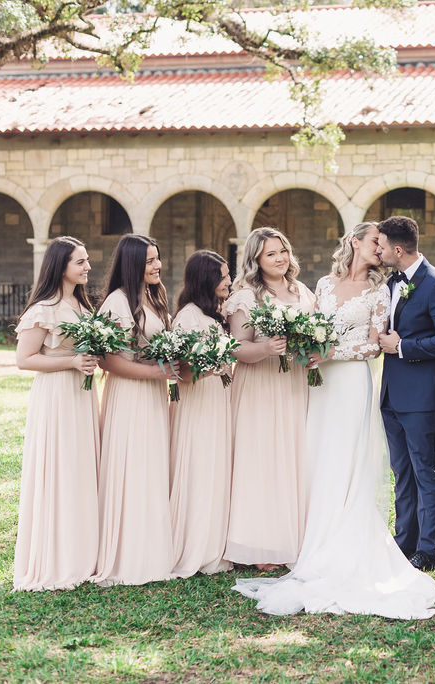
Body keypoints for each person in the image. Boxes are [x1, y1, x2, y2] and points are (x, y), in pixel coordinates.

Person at [233, 222, 435, 619]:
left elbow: (375, 345)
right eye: (375, 241)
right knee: (318, 455)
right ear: (355, 242)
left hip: (350, 381)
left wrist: (332, 353)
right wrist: (307, 347)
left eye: (384, 243)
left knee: (348, 460)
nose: (381, 248)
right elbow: (311, 328)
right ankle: (312, 537)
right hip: (319, 383)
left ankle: (346, 539)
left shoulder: (381, 290)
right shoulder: (325, 285)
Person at [223, 227, 314, 570]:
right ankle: (262, 545)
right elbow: (236, 347)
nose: (280, 259)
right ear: (256, 260)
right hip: (260, 386)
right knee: (263, 460)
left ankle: (298, 535)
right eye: (270, 254)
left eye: (283, 251)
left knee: (295, 455)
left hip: (296, 383)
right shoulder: (246, 297)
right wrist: (266, 348)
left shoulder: (302, 291)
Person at [12, 236, 100, 591]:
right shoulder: (44, 309)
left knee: (81, 469)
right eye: (80, 261)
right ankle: (57, 558)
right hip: (57, 396)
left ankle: (83, 552)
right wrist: (72, 362)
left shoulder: (84, 307)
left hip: (83, 397)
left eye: (87, 260)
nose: (88, 266)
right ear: (61, 266)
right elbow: (24, 360)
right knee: (60, 469)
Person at [375, 215, 435, 571]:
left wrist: (403, 346)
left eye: (381, 246)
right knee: (402, 472)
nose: (377, 251)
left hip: (423, 397)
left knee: (426, 471)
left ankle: (427, 550)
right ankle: (404, 542)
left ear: (398, 250)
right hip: (392, 395)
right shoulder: (390, 282)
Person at [92, 234, 176, 586]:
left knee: (151, 466)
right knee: (133, 466)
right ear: (133, 264)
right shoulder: (118, 302)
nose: (158, 266)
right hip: (129, 396)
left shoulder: (153, 297)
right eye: (150, 261)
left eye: (158, 258)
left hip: (153, 394)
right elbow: (108, 360)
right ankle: (129, 555)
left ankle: (152, 548)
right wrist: (156, 372)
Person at [168, 250, 234, 579]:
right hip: (198, 403)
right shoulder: (188, 317)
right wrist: (213, 367)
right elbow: (182, 372)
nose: (229, 281)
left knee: (215, 469)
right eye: (222, 276)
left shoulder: (214, 314)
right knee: (199, 468)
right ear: (205, 278)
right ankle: (194, 547)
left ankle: (214, 545)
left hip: (218, 400)